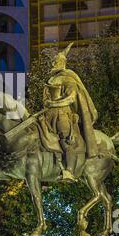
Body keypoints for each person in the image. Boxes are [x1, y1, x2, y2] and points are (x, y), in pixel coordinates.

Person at [40, 43, 99, 182]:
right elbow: (46, 98)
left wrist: (53, 103)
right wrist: (47, 103)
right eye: (53, 61)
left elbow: (71, 98)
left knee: (67, 140)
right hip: (47, 114)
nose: (53, 63)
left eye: (56, 61)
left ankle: (69, 171)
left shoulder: (68, 78)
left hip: (62, 115)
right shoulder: (52, 79)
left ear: (62, 62)